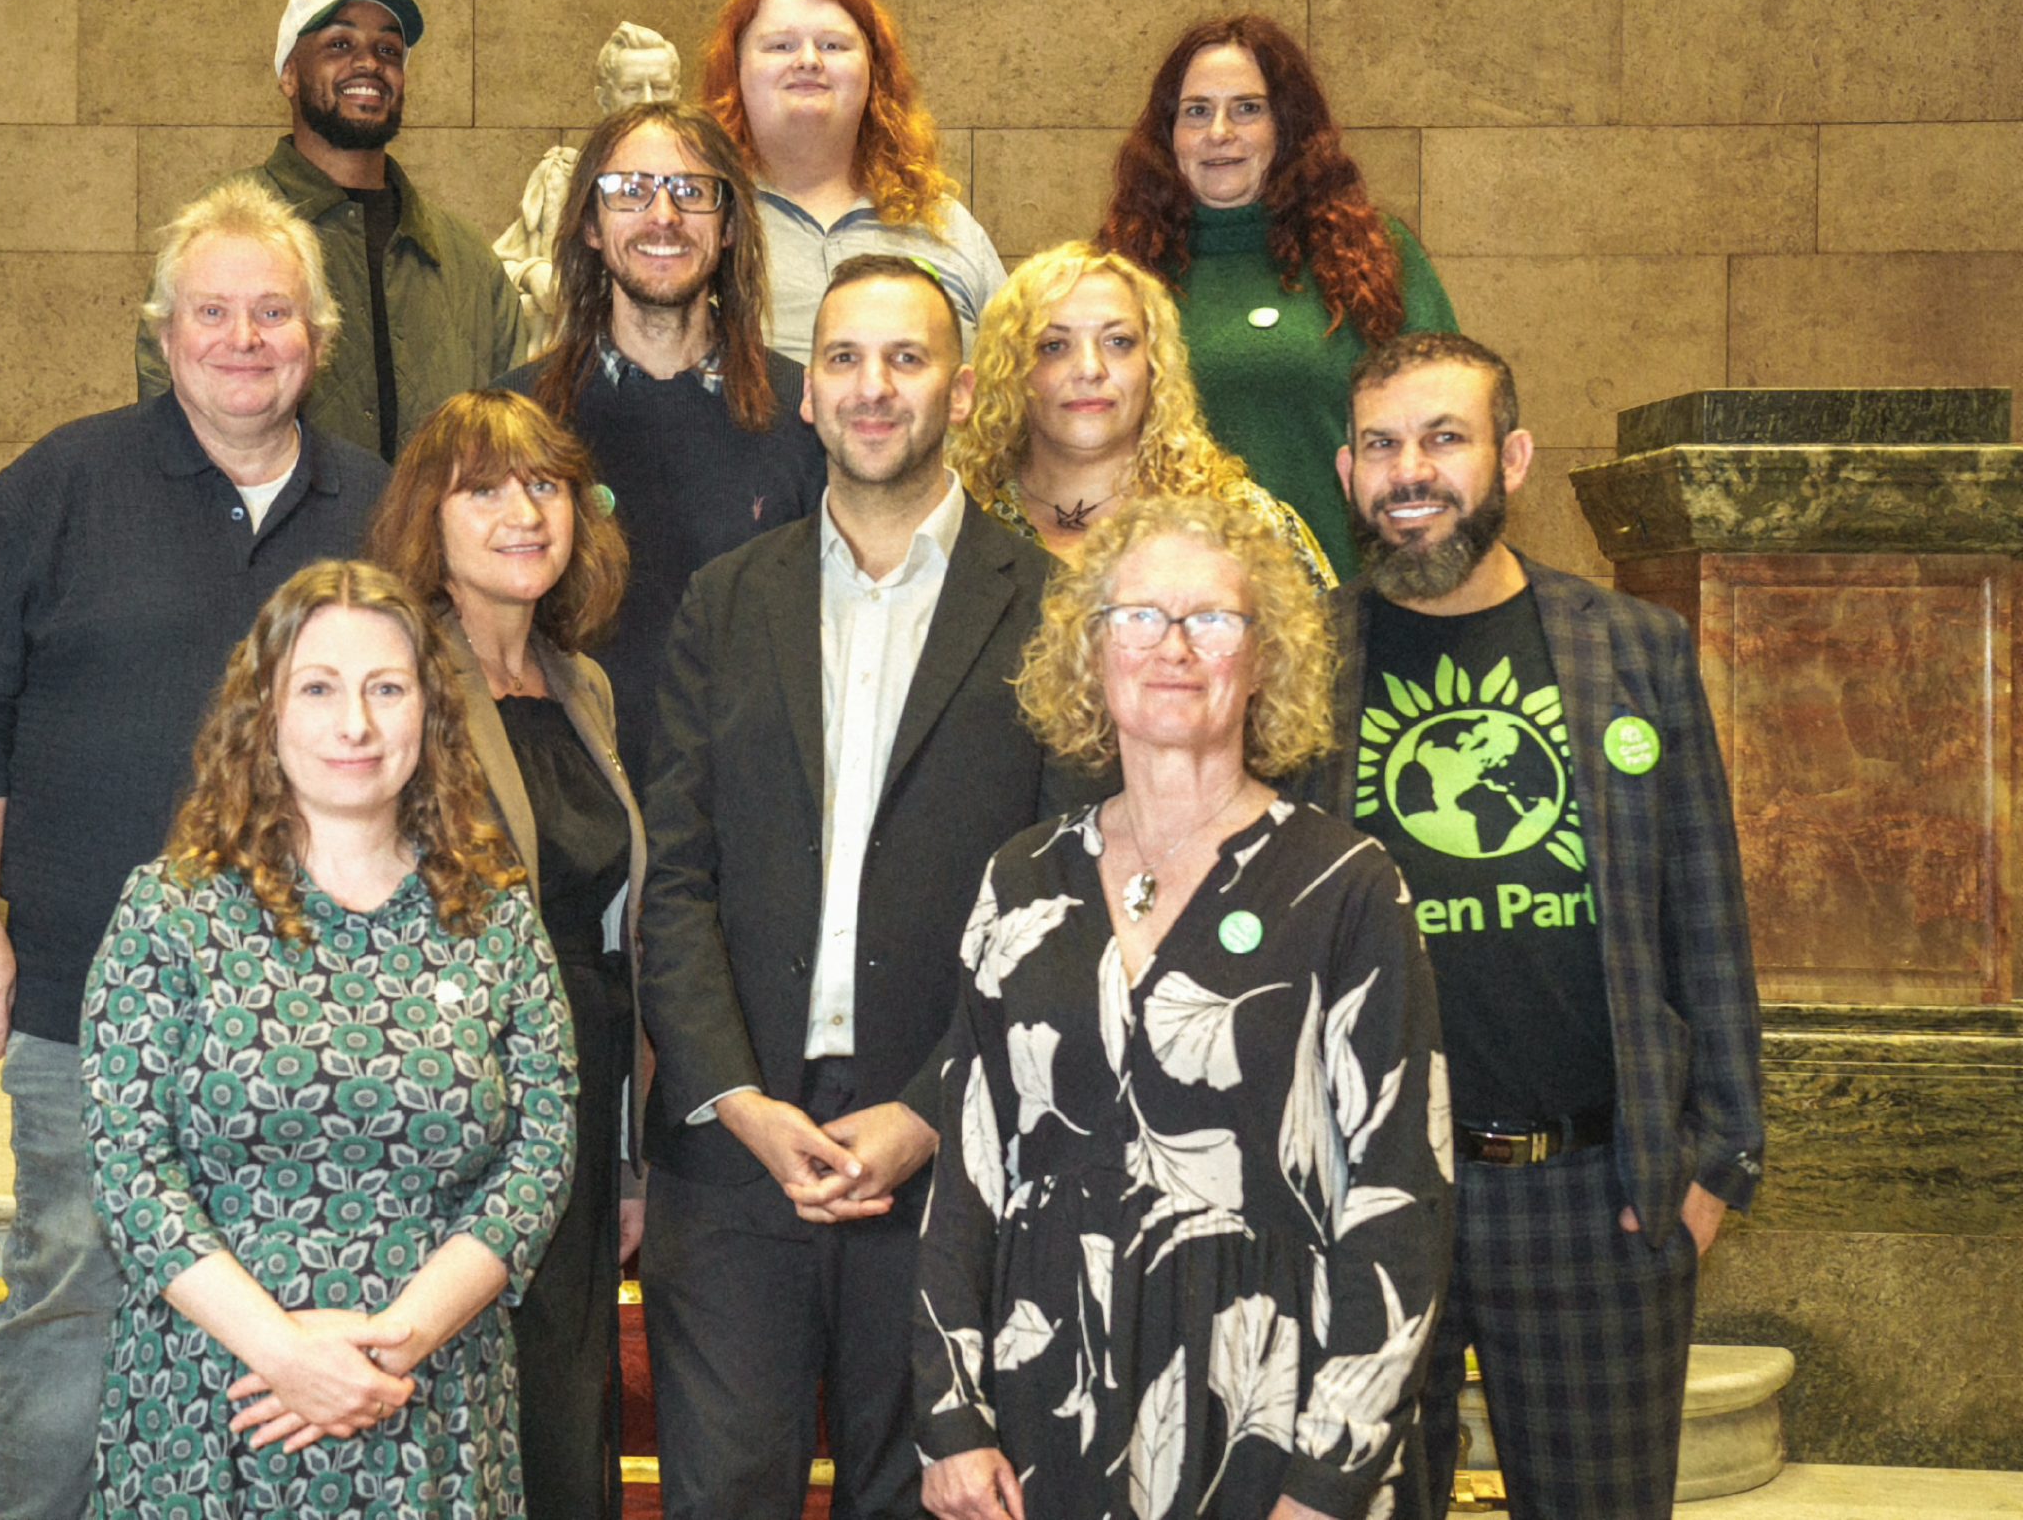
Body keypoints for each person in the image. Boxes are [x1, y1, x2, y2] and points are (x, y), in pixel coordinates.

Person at [0, 179, 389, 1520]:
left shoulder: (379, 503)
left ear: (317, 336)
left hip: (317, 1002)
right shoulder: (54, 488)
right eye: (212, 312)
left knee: (293, 1305)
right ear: (164, 331)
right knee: (76, 1292)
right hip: (86, 991)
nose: (243, 339)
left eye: (273, 312)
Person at [639, 255, 1084, 1520]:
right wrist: (736, 1100)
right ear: (807, 393)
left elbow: (1065, 910)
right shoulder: (727, 601)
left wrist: (930, 1109)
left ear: (962, 389)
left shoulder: (1050, 611)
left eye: (905, 358)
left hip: (948, 1158)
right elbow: (676, 880)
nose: (872, 387)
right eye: (842, 359)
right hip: (735, 1162)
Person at [911, 490, 1451, 1520]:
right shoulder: (1021, 879)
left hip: (1267, 1406)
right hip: (1044, 1399)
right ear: (1091, 652)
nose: (1173, 647)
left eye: (1211, 619)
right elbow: (968, 1172)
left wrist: (1330, 1477)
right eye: (1139, 617)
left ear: (1264, 658)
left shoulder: (1344, 886)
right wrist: (951, 1417)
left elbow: (1401, 1197)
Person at [1306, 331, 1763, 1520]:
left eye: (1443, 438)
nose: (1410, 471)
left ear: (1509, 459)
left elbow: (1704, 913)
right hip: (1364, 1194)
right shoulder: (1295, 659)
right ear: (1347, 471)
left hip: (1593, 1196)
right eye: (1381, 445)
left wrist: (1717, 1161)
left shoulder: (1634, 650)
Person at [82, 558, 574, 1518]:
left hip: (426, 1391)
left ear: (431, 712)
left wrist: (396, 1341)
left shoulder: (496, 917)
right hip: (219, 1395)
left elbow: (541, 1152)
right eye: (318, 688)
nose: (356, 724)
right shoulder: (170, 911)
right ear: (264, 712)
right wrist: (286, 1355)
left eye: (386, 689)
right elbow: (127, 1165)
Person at [368, 391, 646, 1520]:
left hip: (577, 1087)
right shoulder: (398, 679)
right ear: (426, 520)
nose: (523, 513)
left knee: (564, 1407)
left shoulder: (582, 684)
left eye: (545, 486)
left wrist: (627, 1158)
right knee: (460, 1416)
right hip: (450, 1108)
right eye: (483, 489)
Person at [498, 99, 826, 787]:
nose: (663, 215)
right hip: (573, 812)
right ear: (591, 224)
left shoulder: (806, 416)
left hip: (753, 805)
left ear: (729, 225)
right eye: (630, 190)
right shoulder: (514, 423)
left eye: (691, 190)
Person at [1098, 14, 1457, 576]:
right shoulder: (1115, 273)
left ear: (1287, 126)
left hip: (1357, 599)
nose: (1220, 132)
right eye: (1196, 111)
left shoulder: (1376, 257)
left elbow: (1450, 432)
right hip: (1170, 602)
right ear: (1167, 133)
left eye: (1247, 108)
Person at [138, 0, 524, 458]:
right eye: (340, 45)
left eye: (388, 50)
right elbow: (164, 412)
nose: (369, 63)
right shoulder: (215, 233)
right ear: (289, 75)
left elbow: (517, 434)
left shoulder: (466, 259)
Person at [948, 240, 1333, 586]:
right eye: (1054, 346)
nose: (1090, 369)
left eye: (1118, 341)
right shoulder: (956, 526)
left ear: (1154, 365)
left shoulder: (1246, 526)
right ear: (1011, 370)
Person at [701, 0, 1006, 365]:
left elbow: (1015, 382)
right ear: (734, 72)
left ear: (873, 74)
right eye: (780, 45)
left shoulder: (948, 229)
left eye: (833, 45)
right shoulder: (698, 223)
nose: (808, 61)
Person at [493, 21, 685, 356]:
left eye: (660, 87)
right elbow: (493, 270)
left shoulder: (701, 191)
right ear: (604, 99)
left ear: (678, 94)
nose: (647, 101)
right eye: (631, 88)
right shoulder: (562, 180)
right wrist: (533, 273)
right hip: (577, 364)